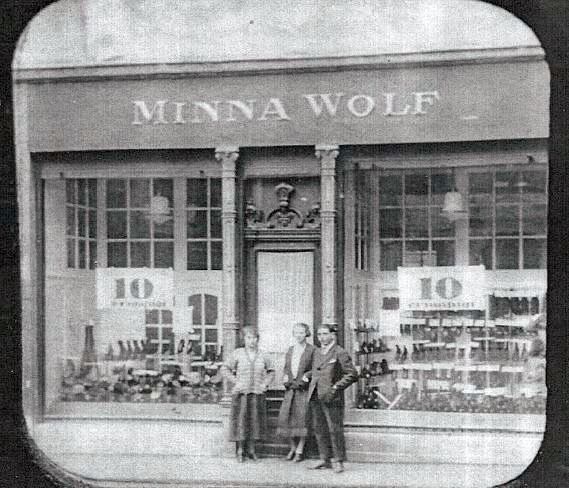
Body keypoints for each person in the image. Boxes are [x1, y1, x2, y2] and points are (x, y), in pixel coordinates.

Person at [306, 324, 357, 473]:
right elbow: (317, 370)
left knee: (335, 429)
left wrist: (336, 387)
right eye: (319, 334)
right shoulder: (317, 352)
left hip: (332, 397)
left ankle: (338, 461)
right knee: (319, 428)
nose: (321, 337)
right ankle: (324, 459)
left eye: (324, 334)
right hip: (316, 395)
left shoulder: (339, 352)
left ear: (332, 335)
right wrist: (308, 376)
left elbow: (352, 374)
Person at [223, 326, 275, 462]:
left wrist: (264, 384)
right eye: (248, 338)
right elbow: (225, 369)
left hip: (257, 394)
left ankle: (252, 450)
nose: (252, 341)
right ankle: (240, 450)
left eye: (254, 338)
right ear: (244, 339)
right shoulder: (237, 353)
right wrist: (236, 382)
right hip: (242, 395)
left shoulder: (263, 355)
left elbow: (271, 371)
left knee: (254, 421)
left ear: (258, 339)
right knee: (241, 421)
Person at [276, 323, 316, 462]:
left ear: (306, 333)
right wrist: (286, 377)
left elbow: (316, 368)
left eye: (301, 332)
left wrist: (307, 376)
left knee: (302, 419)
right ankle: (292, 447)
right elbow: (287, 368)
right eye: (296, 333)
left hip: (303, 390)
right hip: (291, 389)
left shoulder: (312, 350)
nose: (299, 335)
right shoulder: (290, 350)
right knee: (286, 418)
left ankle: (300, 449)